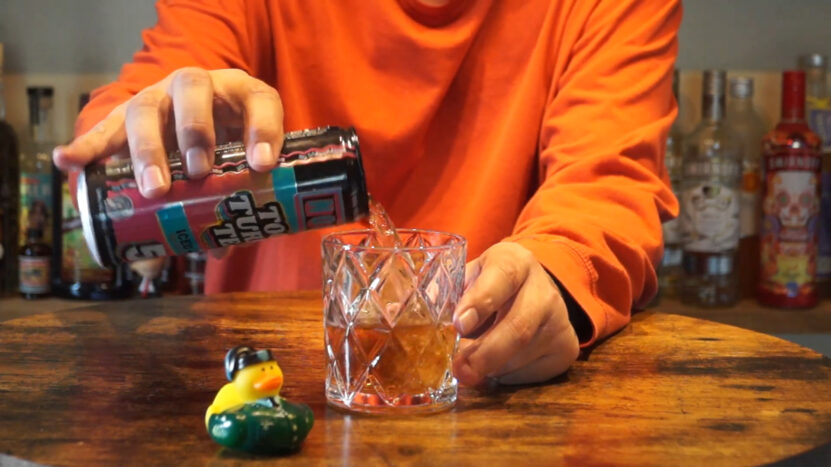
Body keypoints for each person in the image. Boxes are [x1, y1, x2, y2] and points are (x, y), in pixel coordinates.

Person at [53, 0, 682, 388]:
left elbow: (608, 179)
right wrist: (148, 128)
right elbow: (166, 73)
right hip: (271, 387)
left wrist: (555, 273)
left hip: (492, 388)